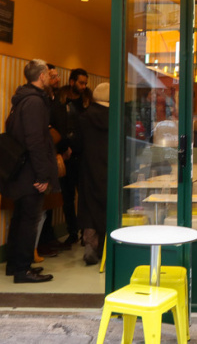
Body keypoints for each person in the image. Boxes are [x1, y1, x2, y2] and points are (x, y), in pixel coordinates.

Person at [0, 59, 58, 283]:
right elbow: (36, 141)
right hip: (30, 172)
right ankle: (22, 270)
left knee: (19, 218)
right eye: (48, 74)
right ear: (42, 76)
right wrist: (42, 175)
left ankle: (14, 265)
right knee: (27, 220)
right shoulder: (34, 102)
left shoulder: (21, 98)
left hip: (19, 170)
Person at [52, 68, 90, 246]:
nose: (84, 86)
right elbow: (54, 126)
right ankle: (72, 232)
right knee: (67, 198)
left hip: (82, 155)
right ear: (72, 81)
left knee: (83, 196)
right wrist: (62, 148)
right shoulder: (60, 99)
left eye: (85, 83)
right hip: (65, 155)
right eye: (81, 82)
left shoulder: (87, 100)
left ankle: (85, 232)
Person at [78, 82, 110, 265]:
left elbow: (78, 144)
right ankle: (106, 246)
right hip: (111, 168)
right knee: (108, 207)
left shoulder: (84, 117)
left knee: (89, 205)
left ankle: (90, 242)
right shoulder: (118, 118)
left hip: (89, 167)